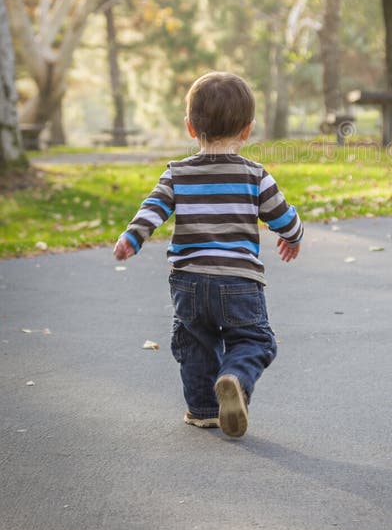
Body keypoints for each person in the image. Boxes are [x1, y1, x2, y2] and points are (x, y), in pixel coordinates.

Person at [113, 72, 303, 438]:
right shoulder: (255, 174)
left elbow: (153, 208)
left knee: (194, 340)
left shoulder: (177, 173)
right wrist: (293, 236)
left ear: (189, 127)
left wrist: (133, 237)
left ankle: (203, 410)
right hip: (239, 281)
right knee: (254, 340)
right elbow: (282, 215)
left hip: (188, 281)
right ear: (247, 130)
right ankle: (235, 377)